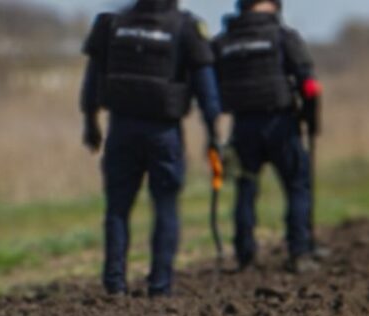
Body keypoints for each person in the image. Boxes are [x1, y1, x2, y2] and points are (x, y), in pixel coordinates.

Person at [81, 0, 221, 297]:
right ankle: (160, 286)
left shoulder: (111, 24)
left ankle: (114, 284)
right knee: (165, 207)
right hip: (164, 133)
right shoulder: (186, 27)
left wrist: (90, 124)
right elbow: (206, 90)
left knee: (117, 208)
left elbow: (92, 80)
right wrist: (213, 135)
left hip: (120, 129)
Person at [213, 0, 322, 273]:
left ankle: (245, 254)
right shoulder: (283, 36)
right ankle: (300, 252)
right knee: (297, 185)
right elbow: (309, 85)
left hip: (242, 127)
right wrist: (311, 121)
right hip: (281, 125)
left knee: (246, 189)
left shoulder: (223, 42)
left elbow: (210, 86)